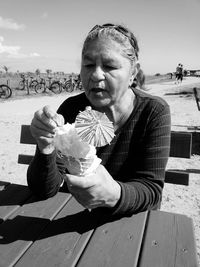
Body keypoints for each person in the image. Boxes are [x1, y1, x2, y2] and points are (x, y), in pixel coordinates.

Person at [27, 23, 171, 216]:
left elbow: (151, 191)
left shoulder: (153, 111)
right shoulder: (72, 109)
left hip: (130, 227)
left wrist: (114, 194)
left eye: (110, 66)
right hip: (69, 217)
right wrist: (45, 149)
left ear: (133, 72)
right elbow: (43, 189)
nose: (95, 75)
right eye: (88, 65)